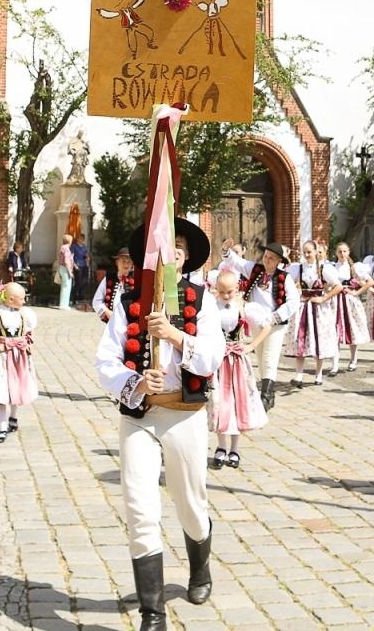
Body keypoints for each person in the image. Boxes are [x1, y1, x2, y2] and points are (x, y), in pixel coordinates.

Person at [94, 222, 221, 631]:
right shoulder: (130, 300)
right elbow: (105, 362)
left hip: (184, 414)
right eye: (165, 246)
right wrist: (133, 381)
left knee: (190, 505)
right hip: (141, 416)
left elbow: (212, 358)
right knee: (139, 507)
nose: (172, 252)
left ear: (186, 258)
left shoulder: (201, 301)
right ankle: (153, 612)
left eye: (179, 247)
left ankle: (200, 568)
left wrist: (176, 336)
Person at [209, 269, 271, 469]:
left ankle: (235, 448)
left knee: (236, 402)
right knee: (219, 402)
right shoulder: (211, 308)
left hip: (237, 362)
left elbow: (266, 326)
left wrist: (252, 345)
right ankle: (220, 446)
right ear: (215, 290)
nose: (226, 296)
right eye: (222, 292)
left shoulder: (243, 308)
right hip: (219, 361)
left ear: (237, 289)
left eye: (230, 292)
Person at [240, 242, 298, 410]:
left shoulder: (284, 277)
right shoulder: (255, 270)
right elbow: (237, 262)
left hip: (275, 323)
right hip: (257, 321)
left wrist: (276, 316)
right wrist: (226, 251)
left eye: (271, 258)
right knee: (260, 358)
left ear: (279, 261)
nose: (267, 260)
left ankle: (265, 396)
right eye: (265, 256)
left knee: (269, 357)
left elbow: (294, 302)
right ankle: (269, 396)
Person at [0, 281, 39, 441]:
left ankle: (13, 417)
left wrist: (26, 341)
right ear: (11, 299)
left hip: (20, 356)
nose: (24, 301)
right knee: (1, 390)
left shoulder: (25, 314)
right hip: (3, 358)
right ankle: (3, 426)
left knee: (17, 387)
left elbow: (30, 332)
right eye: (22, 298)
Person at [292, 241, 339, 385]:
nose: (306, 255)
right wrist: (296, 296)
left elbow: (338, 286)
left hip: (319, 309)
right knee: (301, 338)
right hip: (304, 307)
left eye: (309, 252)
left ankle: (318, 375)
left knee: (319, 339)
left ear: (315, 252)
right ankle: (299, 375)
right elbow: (288, 283)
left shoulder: (324, 268)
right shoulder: (299, 268)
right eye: (304, 252)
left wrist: (324, 297)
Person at [328, 242, 370, 372]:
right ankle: (335, 363)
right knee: (334, 331)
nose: (342, 254)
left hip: (349, 301)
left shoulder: (354, 268)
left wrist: (356, 292)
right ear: (336, 253)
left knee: (352, 329)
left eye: (344, 251)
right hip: (335, 301)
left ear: (348, 252)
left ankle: (353, 359)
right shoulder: (332, 267)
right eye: (339, 251)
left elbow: (370, 282)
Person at [94, 247, 135, 321]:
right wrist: (107, 312)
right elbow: (97, 301)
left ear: (132, 264)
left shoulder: (136, 279)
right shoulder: (109, 278)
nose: (126, 264)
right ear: (117, 262)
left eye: (128, 261)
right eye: (123, 261)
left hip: (130, 323)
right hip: (111, 321)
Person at [55, 235, 76, 310]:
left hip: (62, 267)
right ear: (70, 241)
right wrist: (70, 272)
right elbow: (66, 261)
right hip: (65, 268)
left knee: (64, 286)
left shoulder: (62, 247)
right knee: (66, 287)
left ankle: (63, 304)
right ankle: (64, 305)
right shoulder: (66, 248)